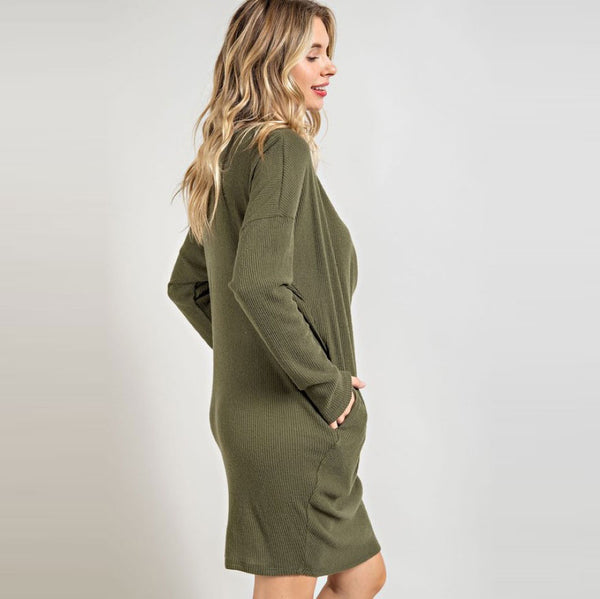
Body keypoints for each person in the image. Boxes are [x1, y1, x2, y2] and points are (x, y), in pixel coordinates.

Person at [167, 1, 386, 597]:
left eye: (327, 53)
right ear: (270, 62)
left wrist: (260, 358)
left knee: (363, 576)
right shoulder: (280, 149)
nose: (329, 66)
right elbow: (257, 285)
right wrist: (324, 383)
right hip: (293, 422)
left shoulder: (229, 154)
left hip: (260, 415)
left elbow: (189, 287)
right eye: (312, 54)